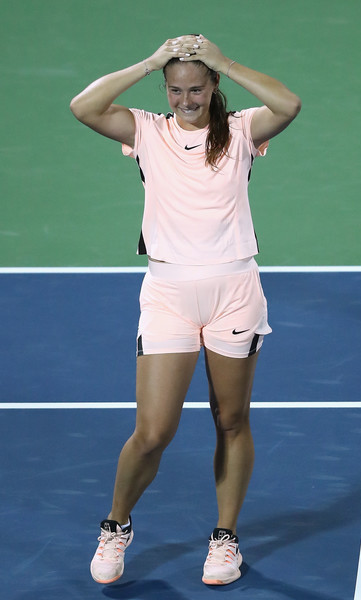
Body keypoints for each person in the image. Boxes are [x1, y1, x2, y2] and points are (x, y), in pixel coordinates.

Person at [70, 33, 301, 586]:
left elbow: (288, 104)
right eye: (175, 90)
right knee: (152, 431)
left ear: (213, 85)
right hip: (169, 294)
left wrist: (226, 61)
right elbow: (84, 106)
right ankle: (116, 525)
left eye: (196, 88)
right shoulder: (147, 131)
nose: (185, 100)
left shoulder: (243, 130)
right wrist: (149, 62)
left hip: (234, 291)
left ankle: (225, 540)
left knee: (232, 419)